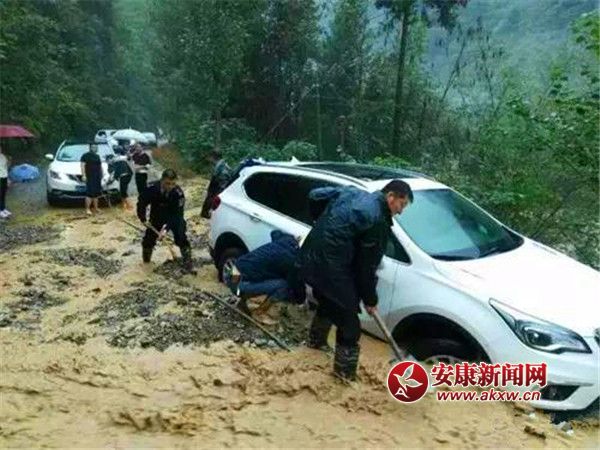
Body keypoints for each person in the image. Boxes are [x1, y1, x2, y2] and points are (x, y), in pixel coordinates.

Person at [299, 180, 413, 381]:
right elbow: (366, 268)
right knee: (350, 326)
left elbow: (316, 194)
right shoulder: (377, 221)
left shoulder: (353, 193)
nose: (401, 211)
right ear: (391, 197)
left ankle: (314, 346)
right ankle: (344, 377)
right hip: (330, 269)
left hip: (311, 258)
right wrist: (370, 299)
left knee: (330, 302)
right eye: (401, 204)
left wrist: (321, 224)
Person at [223, 230, 306, 319]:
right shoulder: (293, 261)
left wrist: (292, 239)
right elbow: (296, 283)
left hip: (232, 272)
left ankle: (242, 302)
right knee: (283, 286)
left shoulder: (286, 240)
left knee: (263, 276)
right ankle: (259, 312)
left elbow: (275, 233)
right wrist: (301, 300)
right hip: (237, 283)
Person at [136, 169, 193, 271]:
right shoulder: (152, 188)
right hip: (157, 216)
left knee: (181, 237)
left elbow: (178, 214)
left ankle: (188, 261)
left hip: (174, 218)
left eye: (173, 184)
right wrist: (143, 219)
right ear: (162, 180)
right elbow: (141, 202)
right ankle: (146, 263)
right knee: (148, 240)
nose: (170, 186)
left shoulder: (178, 193)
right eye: (167, 183)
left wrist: (165, 229)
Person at [201, 150, 231, 218]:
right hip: (218, 184)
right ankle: (206, 213)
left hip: (219, 185)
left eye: (210, 157)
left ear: (213, 157)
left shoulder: (221, 167)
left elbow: (219, 179)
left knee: (212, 198)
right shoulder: (222, 165)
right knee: (211, 198)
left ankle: (207, 214)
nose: (209, 159)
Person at [80, 143, 103, 215]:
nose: (95, 148)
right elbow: (82, 166)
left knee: (96, 194)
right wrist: (84, 175)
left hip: (97, 177)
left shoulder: (97, 156)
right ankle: (87, 209)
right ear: (90, 148)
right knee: (89, 194)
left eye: (96, 147)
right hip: (89, 177)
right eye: (93, 147)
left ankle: (96, 208)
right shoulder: (85, 156)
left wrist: (102, 175)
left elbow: (100, 166)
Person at [0, 145, 11, 218]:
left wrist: (8, 179)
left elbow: (6, 167)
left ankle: (3, 208)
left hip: (4, 176)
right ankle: (0, 210)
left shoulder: (3, 156)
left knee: (3, 193)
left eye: (0, 148)